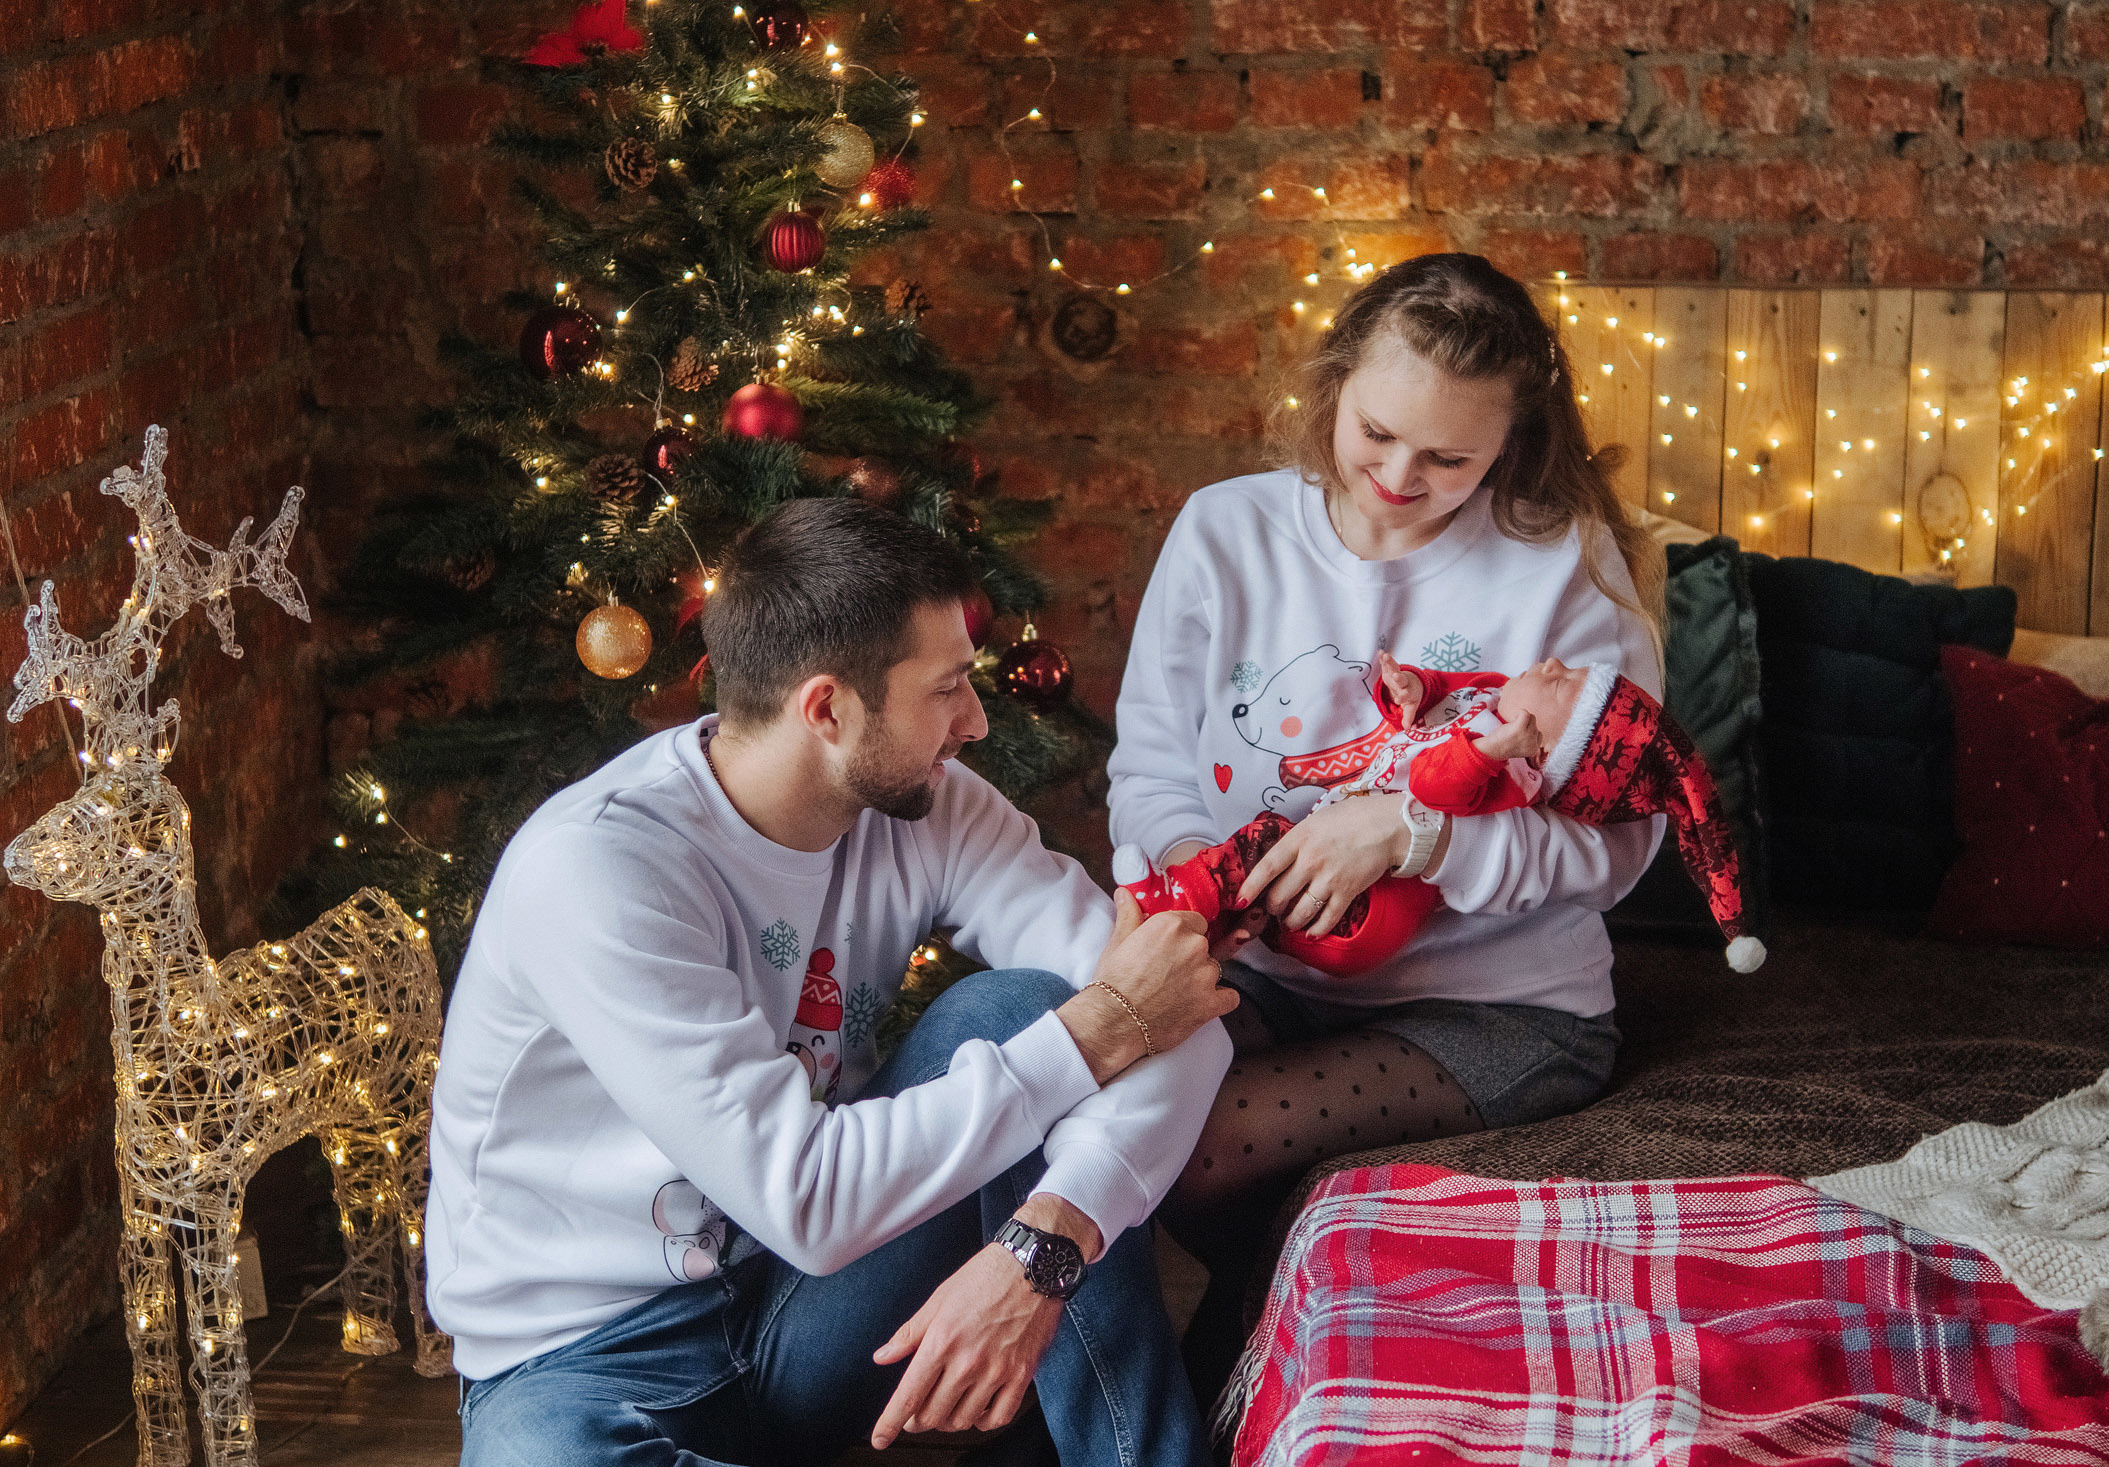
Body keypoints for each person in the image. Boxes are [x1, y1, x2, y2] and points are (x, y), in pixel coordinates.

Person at [429, 497, 1243, 1467]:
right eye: (947, 689)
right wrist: (1105, 1026)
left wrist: (1046, 1246)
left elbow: (1180, 1008)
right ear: (827, 708)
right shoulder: (599, 871)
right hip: (586, 1363)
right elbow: (807, 1198)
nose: (976, 723)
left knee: (1017, 1010)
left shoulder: (934, 810)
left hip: (811, 1309)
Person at [1106, 252, 1669, 1392]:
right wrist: (1200, 880)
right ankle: (1164, 1404)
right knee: (1104, 1115)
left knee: (1199, 1154)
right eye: (1375, 433)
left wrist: (1416, 837)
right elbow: (1153, 764)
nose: (1400, 477)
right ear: (1330, 390)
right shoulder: (1225, 531)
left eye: (1449, 457)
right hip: (1264, 972)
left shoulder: (1559, 565)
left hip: (1498, 1009)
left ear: (1509, 445)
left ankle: (1188, 1409)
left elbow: (1619, 850)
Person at [1120, 652, 1766, 977]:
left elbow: (1433, 785)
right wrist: (1411, 689)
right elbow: (1446, 690)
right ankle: (1212, 915)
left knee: (1263, 840)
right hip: (1316, 899)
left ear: (1549, 748)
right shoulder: (1494, 698)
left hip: (1365, 919)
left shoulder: (1513, 772)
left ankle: (1175, 895)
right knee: (1258, 875)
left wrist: (1490, 751)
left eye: (1563, 681)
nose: (1548, 662)